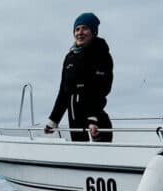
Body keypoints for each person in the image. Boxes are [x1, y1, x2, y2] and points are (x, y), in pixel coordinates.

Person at [44, 12, 114, 142]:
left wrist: (93, 119)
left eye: (84, 28)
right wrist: (53, 120)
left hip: (96, 120)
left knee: (97, 158)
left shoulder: (101, 54)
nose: (80, 32)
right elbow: (64, 92)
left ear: (93, 31)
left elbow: (102, 89)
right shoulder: (69, 58)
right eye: (77, 29)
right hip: (75, 120)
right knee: (79, 155)